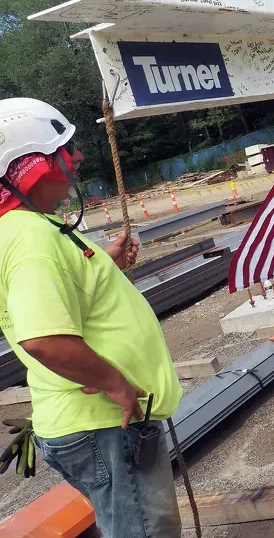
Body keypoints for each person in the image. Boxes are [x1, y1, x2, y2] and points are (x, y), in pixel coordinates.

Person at [0, 98, 183, 538]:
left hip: (99, 421)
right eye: (64, 148)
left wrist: (107, 266)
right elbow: (45, 339)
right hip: (102, 420)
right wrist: (117, 385)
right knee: (142, 531)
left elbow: (65, 304)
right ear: (28, 166)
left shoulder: (35, 227)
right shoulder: (29, 239)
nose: (78, 156)